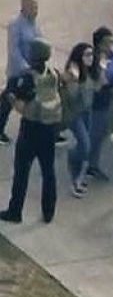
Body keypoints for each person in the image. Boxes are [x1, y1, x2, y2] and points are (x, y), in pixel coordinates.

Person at [0, 38, 62, 224]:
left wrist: (10, 97)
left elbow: (20, 105)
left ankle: (15, 211)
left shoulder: (27, 78)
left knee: (21, 171)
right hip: (49, 128)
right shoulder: (53, 74)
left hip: (31, 128)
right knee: (48, 171)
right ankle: (48, 212)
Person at [2, 0, 42, 145]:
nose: (36, 11)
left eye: (37, 7)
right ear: (24, 7)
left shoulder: (34, 24)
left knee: (35, 99)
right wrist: (26, 68)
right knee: (8, 100)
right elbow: (14, 50)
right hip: (19, 72)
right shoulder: (15, 25)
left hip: (33, 70)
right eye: (33, 7)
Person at [85, 26, 113, 181]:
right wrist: (107, 70)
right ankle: (87, 166)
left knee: (100, 135)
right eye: (108, 43)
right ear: (99, 44)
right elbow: (103, 79)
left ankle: (92, 164)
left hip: (106, 99)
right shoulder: (93, 59)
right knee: (94, 136)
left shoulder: (112, 57)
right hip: (95, 103)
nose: (111, 47)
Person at [62, 43, 95, 197]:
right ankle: (72, 159)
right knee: (85, 145)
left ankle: (76, 179)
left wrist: (101, 70)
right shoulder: (72, 72)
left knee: (85, 145)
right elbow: (72, 96)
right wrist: (73, 80)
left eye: (91, 54)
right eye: (87, 55)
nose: (90, 58)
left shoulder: (89, 71)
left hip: (87, 113)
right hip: (75, 114)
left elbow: (99, 86)